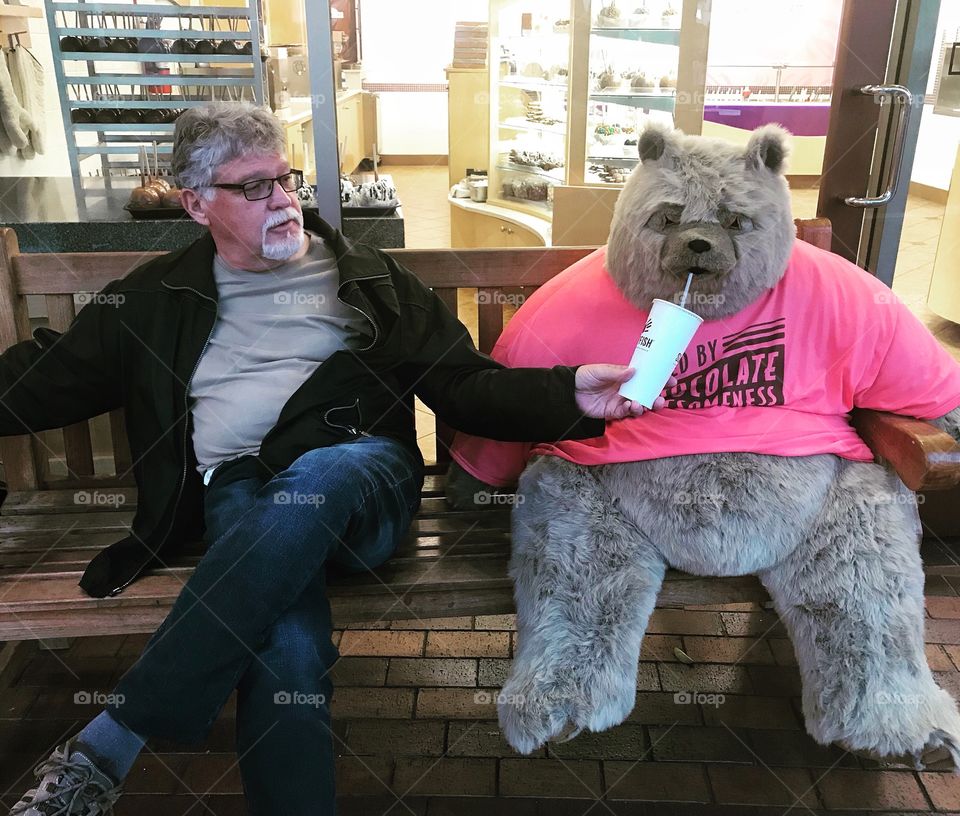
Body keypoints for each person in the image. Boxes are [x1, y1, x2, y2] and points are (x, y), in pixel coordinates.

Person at [6, 102, 664, 816]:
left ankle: (113, 738)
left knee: (321, 473)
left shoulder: (367, 280)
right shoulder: (153, 299)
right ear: (197, 204)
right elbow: (41, 383)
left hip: (361, 478)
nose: (284, 201)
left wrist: (568, 393)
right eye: (254, 187)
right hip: (239, 493)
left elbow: (461, 383)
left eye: (286, 179)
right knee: (284, 645)